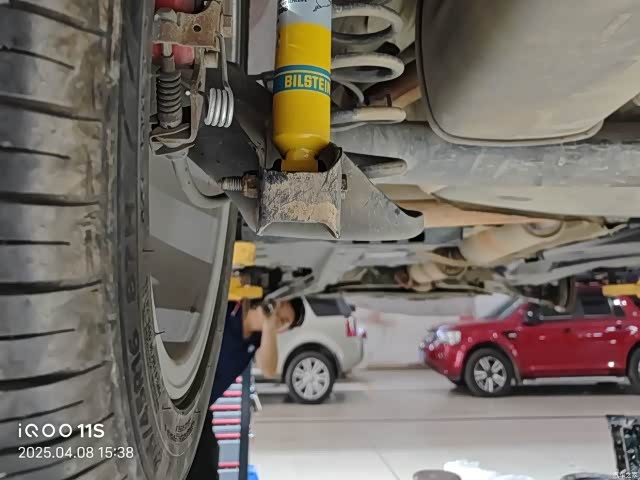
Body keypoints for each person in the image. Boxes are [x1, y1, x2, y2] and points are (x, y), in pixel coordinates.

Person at [188, 298, 305, 478]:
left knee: (206, 469)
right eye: (279, 310)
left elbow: (269, 370)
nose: (277, 318)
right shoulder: (229, 307)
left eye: (283, 321)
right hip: (178, 396)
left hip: (199, 411)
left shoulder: (257, 340)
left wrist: (269, 324)